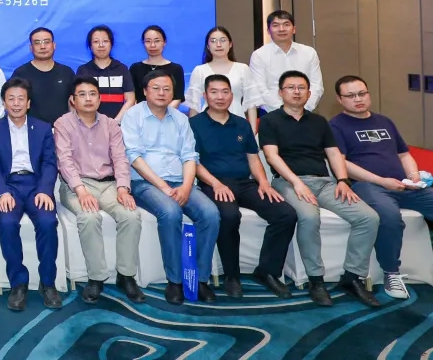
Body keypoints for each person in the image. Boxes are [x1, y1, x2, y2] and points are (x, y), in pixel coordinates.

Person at [330, 75, 433, 299]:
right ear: (340, 99)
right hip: (368, 185)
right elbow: (342, 164)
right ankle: (391, 273)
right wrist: (381, 181)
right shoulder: (335, 126)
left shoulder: (384, 121)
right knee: (390, 217)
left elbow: (404, 154)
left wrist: (413, 176)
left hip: (405, 185)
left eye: (362, 93)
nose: (358, 99)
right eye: (350, 95)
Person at [259, 70, 379, 308]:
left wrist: (343, 180)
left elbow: (333, 154)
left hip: (325, 183)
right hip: (288, 183)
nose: (296, 92)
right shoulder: (270, 121)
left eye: (301, 88)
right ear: (281, 92)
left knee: (368, 217)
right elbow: (272, 157)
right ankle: (316, 280)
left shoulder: (319, 121)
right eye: (291, 87)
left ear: (309, 93)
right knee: (309, 217)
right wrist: (297, 182)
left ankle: (352, 277)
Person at [190, 74, 296, 299]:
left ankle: (267, 272)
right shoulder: (194, 124)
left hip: (245, 183)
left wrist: (264, 182)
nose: (220, 97)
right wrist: (216, 183)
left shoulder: (242, 123)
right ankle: (232, 276)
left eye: (225, 91)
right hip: (214, 183)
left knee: (285, 214)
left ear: (232, 95)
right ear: (205, 95)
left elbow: (253, 158)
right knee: (229, 216)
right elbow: (193, 162)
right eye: (214, 92)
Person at [123, 70, 220, 305]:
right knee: (171, 211)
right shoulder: (133, 116)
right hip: (145, 183)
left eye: (167, 89)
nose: (161, 93)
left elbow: (189, 156)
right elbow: (134, 157)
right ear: (144, 91)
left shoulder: (180, 119)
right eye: (156, 88)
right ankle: (175, 281)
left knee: (211, 214)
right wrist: (164, 187)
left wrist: (186, 186)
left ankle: (200, 279)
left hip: (180, 181)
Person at [54, 75, 144, 304]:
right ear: (73, 100)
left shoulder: (111, 124)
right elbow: (64, 161)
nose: (88, 99)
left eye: (92, 94)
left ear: (100, 98)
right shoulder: (63, 124)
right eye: (82, 95)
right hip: (76, 185)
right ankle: (96, 278)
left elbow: (120, 158)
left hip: (109, 185)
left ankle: (126, 275)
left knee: (131, 215)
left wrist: (123, 188)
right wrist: (81, 190)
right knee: (89, 217)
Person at [0, 78, 61, 311]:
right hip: (9, 186)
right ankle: (18, 283)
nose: (16, 103)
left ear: (29, 103)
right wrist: (1, 193)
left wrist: (45, 190)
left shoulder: (43, 128)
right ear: (4, 103)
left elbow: (50, 162)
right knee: (7, 223)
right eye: (11, 99)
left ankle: (48, 282)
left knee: (48, 222)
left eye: (21, 99)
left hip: (36, 185)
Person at [186, 26, 261, 131]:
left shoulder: (242, 69)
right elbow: (194, 106)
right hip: (207, 124)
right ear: (207, 46)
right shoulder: (199, 70)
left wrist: (252, 132)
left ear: (230, 44)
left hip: (237, 121)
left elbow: (251, 105)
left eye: (223, 40)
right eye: (213, 41)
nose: (218, 44)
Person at [250, 10, 323, 113]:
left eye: (286, 24)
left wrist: (304, 109)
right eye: (276, 25)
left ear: (294, 29)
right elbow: (260, 89)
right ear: (268, 30)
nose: (281, 29)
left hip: (305, 112)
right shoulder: (259, 55)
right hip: (271, 113)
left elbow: (316, 86)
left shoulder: (309, 53)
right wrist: (283, 112)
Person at [11, 28, 75, 126]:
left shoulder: (67, 72)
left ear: (54, 45)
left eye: (46, 42)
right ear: (31, 48)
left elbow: (74, 104)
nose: (43, 46)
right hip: (32, 130)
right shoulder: (21, 74)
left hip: (63, 130)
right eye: (37, 43)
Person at [76, 25, 135, 122]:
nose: (101, 45)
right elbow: (78, 100)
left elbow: (130, 100)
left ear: (111, 44)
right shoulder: (83, 70)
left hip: (117, 125)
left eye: (105, 41)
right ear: (90, 46)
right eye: (96, 42)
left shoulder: (121, 69)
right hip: (89, 125)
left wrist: (115, 122)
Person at [128, 25, 185, 109]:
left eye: (157, 41)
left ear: (164, 42)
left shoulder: (176, 69)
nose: (152, 45)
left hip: (168, 115)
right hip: (140, 115)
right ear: (143, 43)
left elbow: (177, 98)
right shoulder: (135, 68)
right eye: (148, 41)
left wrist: (162, 113)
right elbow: (132, 98)